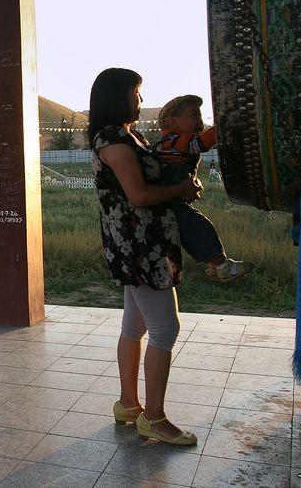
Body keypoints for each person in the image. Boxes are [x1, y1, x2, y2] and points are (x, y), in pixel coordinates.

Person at [89, 68, 201, 446]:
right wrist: (181, 188)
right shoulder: (115, 141)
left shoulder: (125, 136)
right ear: (119, 96)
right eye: (136, 92)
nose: (140, 98)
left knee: (134, 328)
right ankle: (154, 417)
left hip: (137, 244)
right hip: (141, 248)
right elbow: (137, 196)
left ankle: (128, 404)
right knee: (166, 330)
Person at [152, 95, 253, 283]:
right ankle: (221, 265)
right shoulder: (173, 141)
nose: (199, 121)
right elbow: (201, 144)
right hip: (170, 200)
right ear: (170, 122)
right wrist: (222, 126)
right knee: (198, 227)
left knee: (195, 228)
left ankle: (215, 266)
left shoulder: (175, 142)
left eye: (200, 116)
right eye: (193, 116)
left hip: (174, 198)